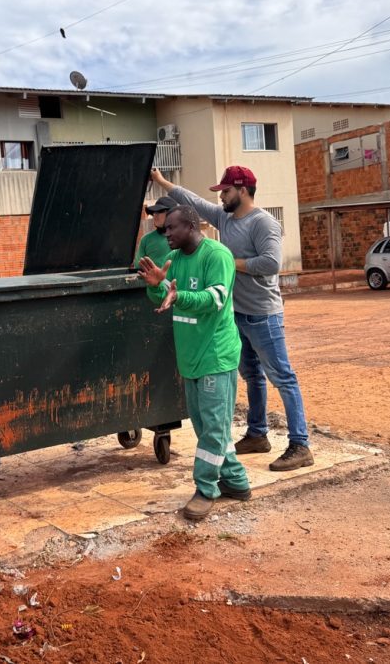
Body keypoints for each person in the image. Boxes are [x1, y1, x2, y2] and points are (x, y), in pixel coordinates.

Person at [151, 166, 313, 472]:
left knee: (282, 377)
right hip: (236, 314)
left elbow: (271, 263)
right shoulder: (225, 217)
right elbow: (193, 202)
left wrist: (226, 262)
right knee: (252, 376)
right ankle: (257, 434)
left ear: (242, 190)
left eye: (226, 191)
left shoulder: (263, 222)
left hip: (263, 314)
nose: (221, 197)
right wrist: (161, 182)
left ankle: (300, 444)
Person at [138, 205, 251, 521]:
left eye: (172, 227)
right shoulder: (175, 260)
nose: (166, 233)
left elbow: (215, 299)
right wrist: (156, 285)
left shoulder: (217, 256)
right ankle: (236, 482)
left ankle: (206, 489)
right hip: (190, 357)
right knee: (207, 428)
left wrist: (178, 296)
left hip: (215, 355)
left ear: (191, 226)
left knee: (213, 428)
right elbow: (165, 296)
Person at [134, 196, 174, 266]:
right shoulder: (146, 240)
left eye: (159, 211)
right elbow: (138, 267)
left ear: (171, 214)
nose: (155, 215)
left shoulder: (181, 237)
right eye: (154, 212)